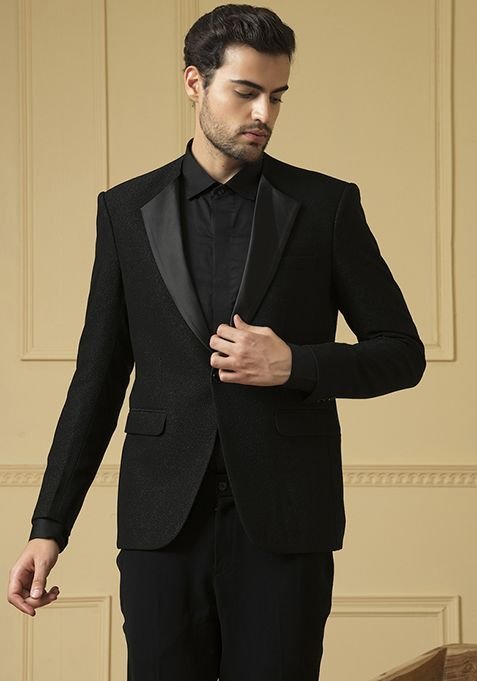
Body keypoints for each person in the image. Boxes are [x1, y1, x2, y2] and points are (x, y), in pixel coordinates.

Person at [7, 4, 426, 680]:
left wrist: (295, 364)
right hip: (161, 522)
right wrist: (49, 526)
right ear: (194, 83)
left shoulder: (325, 206)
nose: (263, 113)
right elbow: (98, 378)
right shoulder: (126, 210)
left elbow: (402, 352)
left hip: (285, 518)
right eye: (245, 91)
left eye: (277, 96)